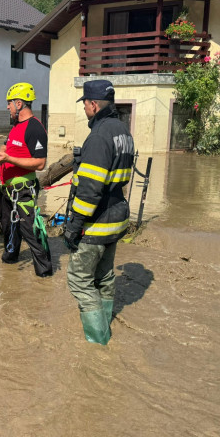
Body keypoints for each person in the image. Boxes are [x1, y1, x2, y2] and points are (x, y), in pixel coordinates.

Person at [64, 80, 135, 345]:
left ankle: (98, 341)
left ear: (93, 104)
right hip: (116, 218)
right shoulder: (122, 130)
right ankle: (105, 325)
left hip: (97, 222)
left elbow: (90, 190)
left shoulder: (98, 136)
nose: (84, 108)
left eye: (84, 104)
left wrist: (73, 226)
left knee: (79, 280)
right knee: (104, 276)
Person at [0, 82, 52, 277]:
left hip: (23, 191)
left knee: (29, 231)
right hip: (7, 190)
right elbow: (10, 148)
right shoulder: (16, 126)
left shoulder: (35, 128)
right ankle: (9, 265)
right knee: (7, 227)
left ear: (18, 104)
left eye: (9, 103)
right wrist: (3, 152)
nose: (7, 107)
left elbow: (40, 163)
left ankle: (44, 273)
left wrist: (9, 159)